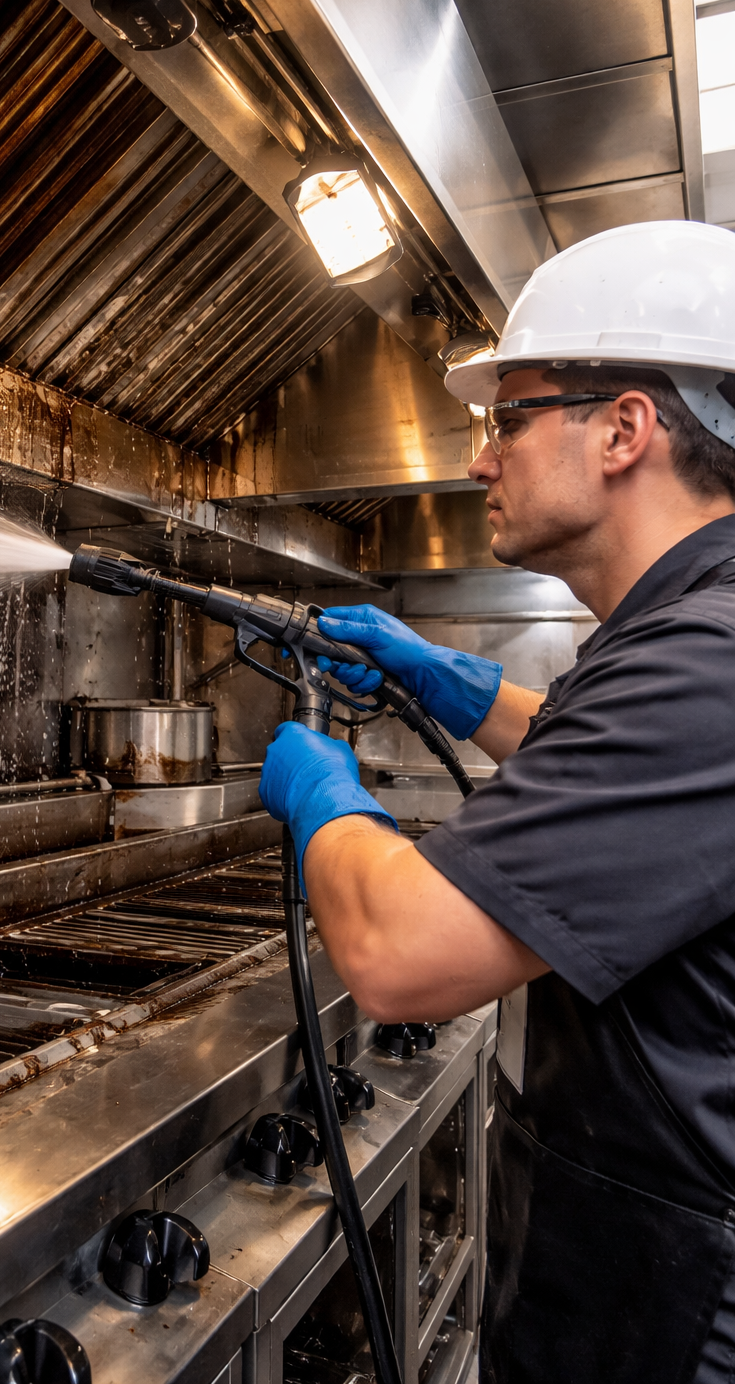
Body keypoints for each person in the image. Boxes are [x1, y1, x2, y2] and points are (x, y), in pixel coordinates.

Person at [259, 220, 735, 1384]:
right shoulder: (692, 630)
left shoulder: (706, 662)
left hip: (677, 1299)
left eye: (505, 419)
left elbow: (396, 951)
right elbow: (628, 779)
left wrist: (323, 795)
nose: (480, 460)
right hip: (638, 1245)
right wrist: (457, 683)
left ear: (624, 427)